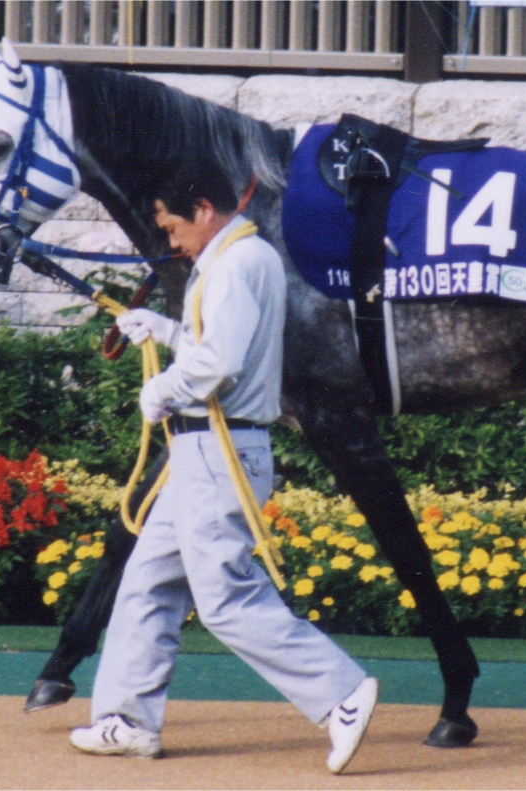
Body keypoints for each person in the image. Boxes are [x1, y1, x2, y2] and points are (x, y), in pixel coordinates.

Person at [68, 160, 377, 773]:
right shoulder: (234, 260)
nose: (169, 239)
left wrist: (161, 389)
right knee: (147, 580)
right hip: (204, 452)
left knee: (227, 600)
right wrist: (165, 329)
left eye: (173, 225)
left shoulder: (237, 263)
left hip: (218, 451)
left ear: (205, 209)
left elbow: (217, 366)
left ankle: (340, 693)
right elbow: (213, 345)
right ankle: (126, 720)